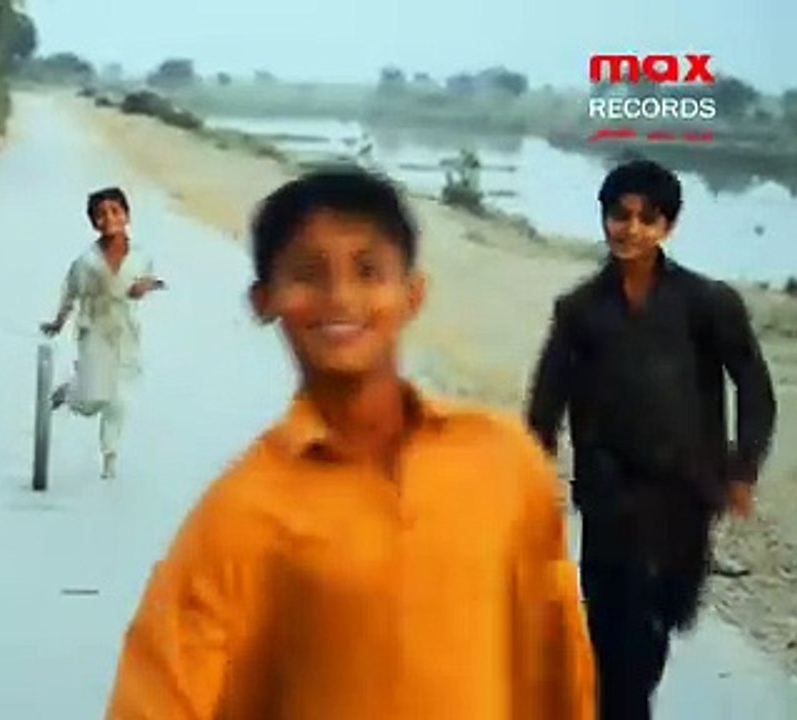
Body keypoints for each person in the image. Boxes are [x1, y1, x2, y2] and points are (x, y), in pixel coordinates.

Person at [105, 168, 594, 719]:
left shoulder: (503, 461)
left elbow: (560, 667)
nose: (340, 297)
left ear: (413, 294)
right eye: (307, 274)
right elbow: (158, 699)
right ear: (264, 301)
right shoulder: (242, 514)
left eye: (368, 270)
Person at [526, 158, 776, 720]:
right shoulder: (580, 309)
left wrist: (742, 470)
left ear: (668, 226)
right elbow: (546, 400)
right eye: (620, 215)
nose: (631, 228)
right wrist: (530, 472)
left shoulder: (708, 304)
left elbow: (755, 388)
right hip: (608, 496)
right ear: (605, 218)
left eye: (646, 217)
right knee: (613, 633)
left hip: (683, 497)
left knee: (649, 630)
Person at [41, 186, 163, 479]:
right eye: (101, 214)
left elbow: (138, 286)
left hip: (125, 335)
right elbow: (70, 293)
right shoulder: (86, 262)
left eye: (115, 211)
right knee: (93, 399)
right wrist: (57, 323)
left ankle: (110, 457)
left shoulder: (141, 256)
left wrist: (145, 287)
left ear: (126, 215)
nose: (108, 218)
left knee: (119, 398)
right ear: (93, 222)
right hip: (94, 332)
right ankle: (69, 393)